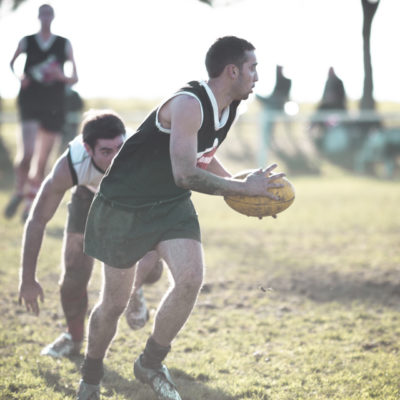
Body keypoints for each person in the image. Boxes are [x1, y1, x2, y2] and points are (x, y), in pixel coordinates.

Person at [76, 36, 285, 400]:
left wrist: (245, 186)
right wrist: (240, 190)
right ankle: (91, 378)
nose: (256, 76)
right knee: (113, 305)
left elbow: (203, 157)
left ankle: (151, 362)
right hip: (124, 207)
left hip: (170, 205)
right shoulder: (190, 104)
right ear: (232, 70)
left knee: (190, 278)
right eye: (253, 68)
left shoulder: (229, 105)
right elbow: (185, 174)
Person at [18, 110, 163, 358]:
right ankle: (73, 338)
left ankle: (135, 289)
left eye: (120, 148)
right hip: (87, 195)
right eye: (106, 152)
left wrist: (133, 283)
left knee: (154, 271)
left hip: (130, 198)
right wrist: (28, 278)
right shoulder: (71, 165)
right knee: (74, 274)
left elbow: (159, 234)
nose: (116, 158)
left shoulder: (140, 156)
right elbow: (37, 220)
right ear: (88, 149)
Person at [5, 4, 78, 221]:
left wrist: (59, 75)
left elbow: (74, 77)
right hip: (30, 101)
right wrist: (21, 77)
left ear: (53, 17)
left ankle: (29, 205)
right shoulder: (27, 41)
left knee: (43, 159)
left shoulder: (64, 44)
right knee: (27, 153)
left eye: (49, 14)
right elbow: (12, 63)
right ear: (38, 17)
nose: (46, 18)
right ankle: (20, 189)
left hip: (54, 104)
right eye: (42, 14)